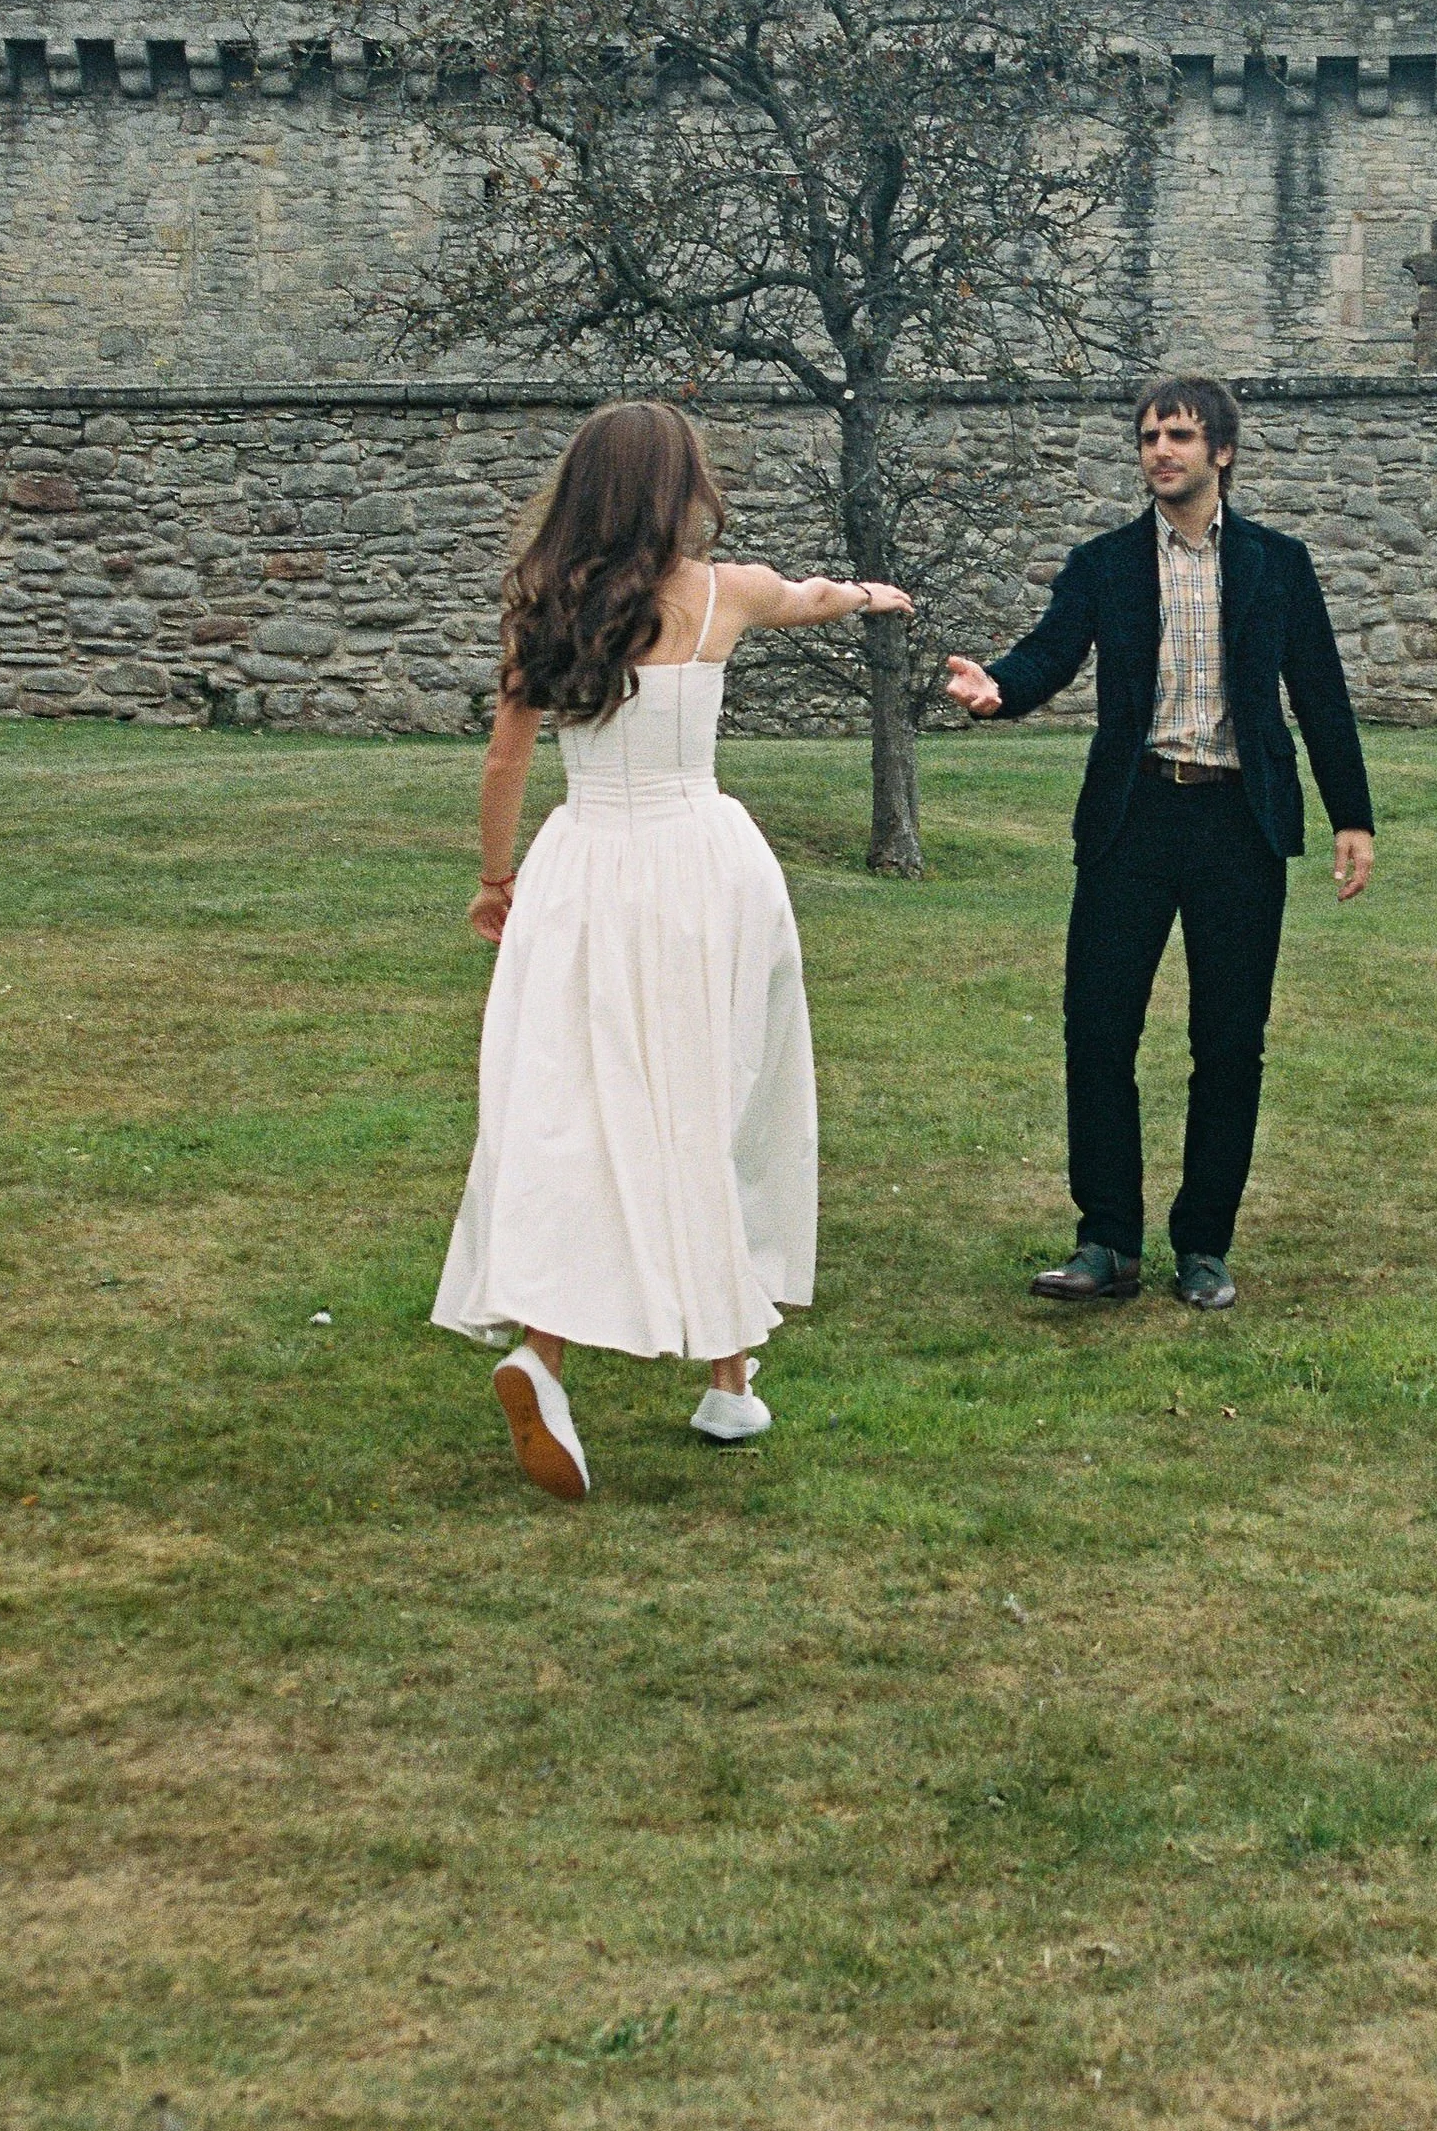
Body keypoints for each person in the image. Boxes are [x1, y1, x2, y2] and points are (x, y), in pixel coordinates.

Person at [432, 400, 912, 1498]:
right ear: (679, 484)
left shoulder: (543, 605)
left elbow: (506, 762)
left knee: (571, 1102)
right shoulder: (721, 591)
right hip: (703, 870)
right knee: (712, 1095)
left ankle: (545, 1351)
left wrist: (496, 877)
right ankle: (726, 1374)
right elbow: (807, 596)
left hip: (584, 866)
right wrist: (865, 594)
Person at [944, 376, 1373, 1312]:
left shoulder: (1276, 564)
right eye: (1148, 438)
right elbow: (1049, 652)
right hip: (1131, 819)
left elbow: (1322, 694)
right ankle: (1107, 1242)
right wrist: (999, 690)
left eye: (1179, 436)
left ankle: (1204, 1247)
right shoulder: (1104, 564)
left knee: (1229, 1043)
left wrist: (1353, 817)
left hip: (1238, 823)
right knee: (1097, 1031)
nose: (1160, 451)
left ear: (1220, 450)